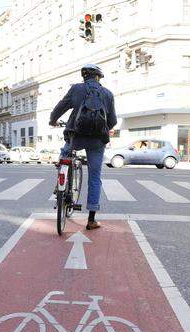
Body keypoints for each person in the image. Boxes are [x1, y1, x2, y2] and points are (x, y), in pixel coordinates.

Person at [49, 63, 117, 231]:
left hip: (75, 137)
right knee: (95, 176)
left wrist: (53, 120)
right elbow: (112, 121)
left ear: (84, 77)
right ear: (98, 77)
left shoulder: (76, 89)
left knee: (65, 155)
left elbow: (60, 107)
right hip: (97, 141)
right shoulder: (108, 94)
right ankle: (91, 219)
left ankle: (61, 180)